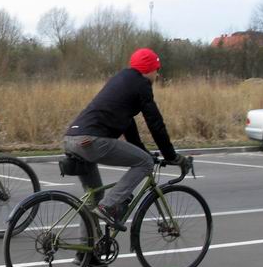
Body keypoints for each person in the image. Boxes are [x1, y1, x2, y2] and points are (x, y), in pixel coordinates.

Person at [63, 47, 191, 232]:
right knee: (144, 163)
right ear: (148, 69)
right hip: (90, 141)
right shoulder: (141, 84)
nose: (158, 74)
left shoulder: (122, 80)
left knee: (94, 196)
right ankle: (109, 206)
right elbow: (155, 124)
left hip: (72, 139)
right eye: (157, 69)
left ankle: (86, 254)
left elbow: (129, 129)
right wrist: (171, 156)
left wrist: (145, 152)